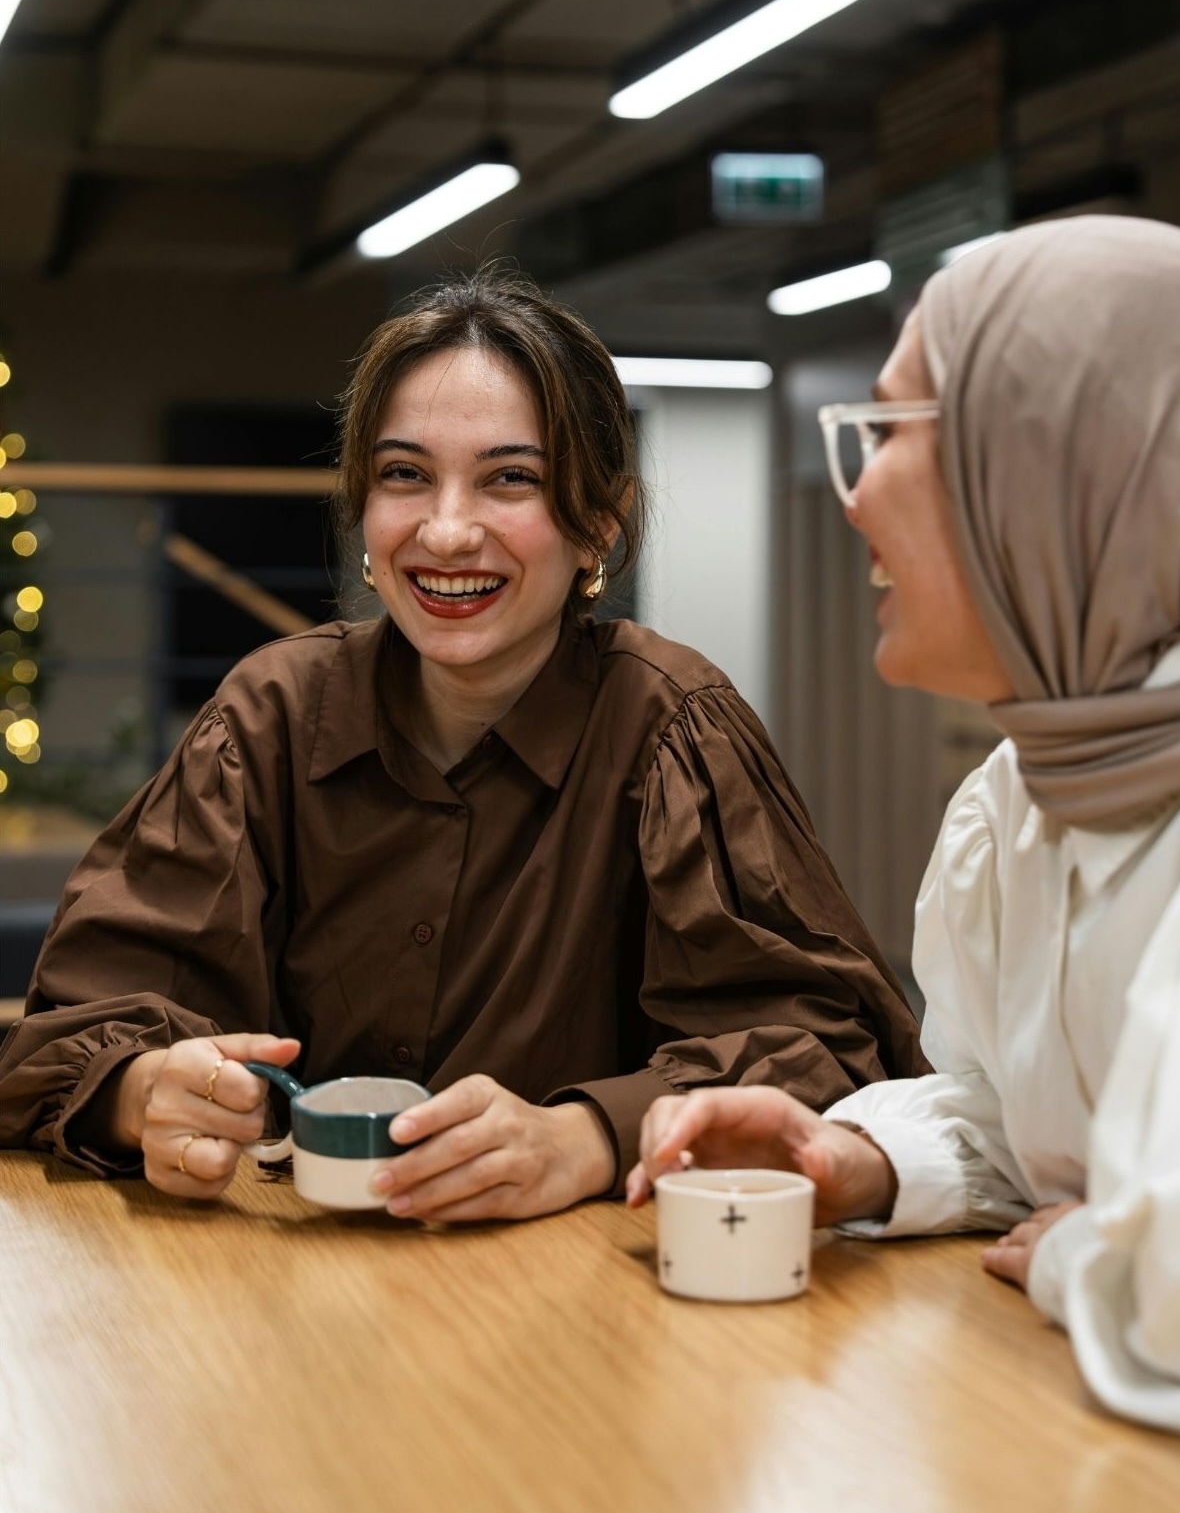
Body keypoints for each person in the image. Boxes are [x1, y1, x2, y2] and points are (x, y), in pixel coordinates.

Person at [0, 270, 922, 1220]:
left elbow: (824, 1051)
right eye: (405, 475)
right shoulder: (267, 715)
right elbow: (73, 1025)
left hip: (595, 1307)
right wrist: (141, 1090)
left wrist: (588, 1135)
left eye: (509, 478)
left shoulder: (672, 729)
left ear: (598, 520)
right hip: (290, 1296)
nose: (445, 531)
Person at [629, 217, 1180, 1457]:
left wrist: (1094, 1258)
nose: (854, 497)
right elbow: (1027, 1123)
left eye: (893, 434)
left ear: (1065, 477)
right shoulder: (1023, 798)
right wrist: (857, 1156)